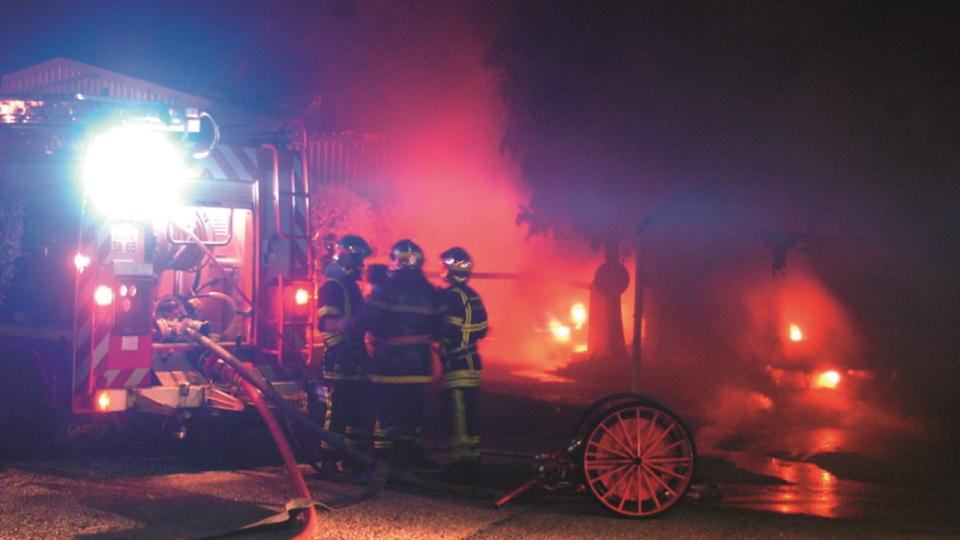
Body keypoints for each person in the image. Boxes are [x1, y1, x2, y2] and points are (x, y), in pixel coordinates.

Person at [349, 239, 442, 470]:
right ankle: (411, 457)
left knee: (388, 414)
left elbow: (366, 320)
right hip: (419, 367)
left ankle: (386, 460)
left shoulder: (386, 290)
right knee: (412, 415)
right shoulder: (429, 292)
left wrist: (341, 325)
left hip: (389, 366)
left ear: (395, 262)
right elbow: (440, 328)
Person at [316, 234, 373, 475]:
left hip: (355, 355)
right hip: (340, 356)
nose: (362, 269)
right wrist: (349, 327)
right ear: (349, 258)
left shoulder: (350, 286)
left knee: (360, 409)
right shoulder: (332, 286)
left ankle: (354, 458)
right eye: (359, 263)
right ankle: (328, 459)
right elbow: (328, 323)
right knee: (338, 410)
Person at [436, 247, 488, 483]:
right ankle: (473, 461)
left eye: (444, 266)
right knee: (471, 413)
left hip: (457, 363)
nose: (442, 271)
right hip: (473, 362)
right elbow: (483, 329)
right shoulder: (473, 295)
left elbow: (447, 331)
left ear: (452, 269)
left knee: (456, 415)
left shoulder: (450, 297)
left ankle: (460, 466)